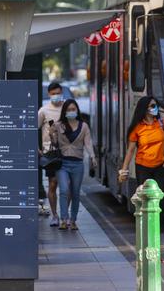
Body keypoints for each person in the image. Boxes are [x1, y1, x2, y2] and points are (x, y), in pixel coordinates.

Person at [49, 99, 97, 231]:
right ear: (64, 112)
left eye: (73, 109)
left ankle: (73, 220)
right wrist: (52, 134)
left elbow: (88, 142)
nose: (71, 112)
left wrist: (92, 157)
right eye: (69, 110)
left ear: (77, 110)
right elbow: (54, 143)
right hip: (62, 163)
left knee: (75, 193)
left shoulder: (84, 126)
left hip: (77, 164)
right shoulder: (59, 125)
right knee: (64, 190)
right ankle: (64, 219)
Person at [118, 96, 164, 195]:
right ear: (145, 108)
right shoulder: (137, 127)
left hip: (160, 166)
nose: (156, 108)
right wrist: (124, 170)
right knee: (145, 198)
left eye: (156, 105)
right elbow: (130, 150)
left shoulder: (163, 123)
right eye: (153, 106)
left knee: (160, 198)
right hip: (142, 167)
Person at [38, 82, 64, 225]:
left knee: (67, 186)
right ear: (49, 94)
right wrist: (37, 148)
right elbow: (32, 128)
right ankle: (55, 215)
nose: (56, 96)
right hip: (50, 153)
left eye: (58, 93)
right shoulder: (43, 111)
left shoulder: (67, 108)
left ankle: (67, 215)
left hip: (66, 152)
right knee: (53, 184)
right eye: (53, 93)